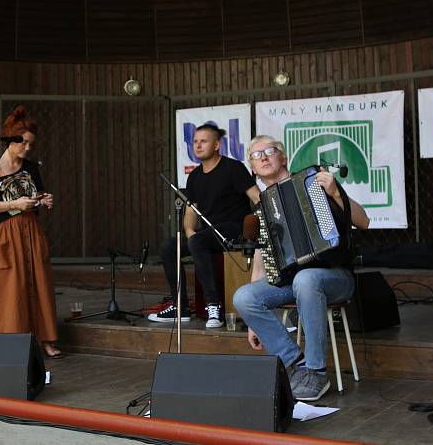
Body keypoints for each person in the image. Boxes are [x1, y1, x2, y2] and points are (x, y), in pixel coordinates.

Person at [233, 134, 370, 402]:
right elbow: (263, 261)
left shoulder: (314, 182)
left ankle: (317, 372)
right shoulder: (262, 206)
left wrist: (335, 192)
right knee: (244, 296)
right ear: (252, 167)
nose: (263, 156)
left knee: (306, 278)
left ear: (283, 158)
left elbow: (364, 221)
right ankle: (296, 366)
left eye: (269, 151)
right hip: (289, 282)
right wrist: (255, 322)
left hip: (334, 276)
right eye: (255, 154)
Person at [149, 123, 259, 328]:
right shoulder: (195, 176)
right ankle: (180, 307)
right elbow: (191, 211)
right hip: (207, 233)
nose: (198, 146)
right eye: (195, 142)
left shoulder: (232, 168)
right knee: (169, 248)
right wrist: (189, 233)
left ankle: (213, 305)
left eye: (204, 141)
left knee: (199, 240)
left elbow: (256, 196)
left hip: (234, 229)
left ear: (217, 144)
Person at [0, 106, 61, 358]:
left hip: (29, 231)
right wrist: (15, 204)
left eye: (30, 144)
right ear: (10, 141)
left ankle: (45, 339)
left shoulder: (31, 167)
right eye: (24, 143)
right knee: (9, 288)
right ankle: (8, 342)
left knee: (38, 284)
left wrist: (44, 200)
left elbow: (38, 193)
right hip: (4, 233)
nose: (27, 148)